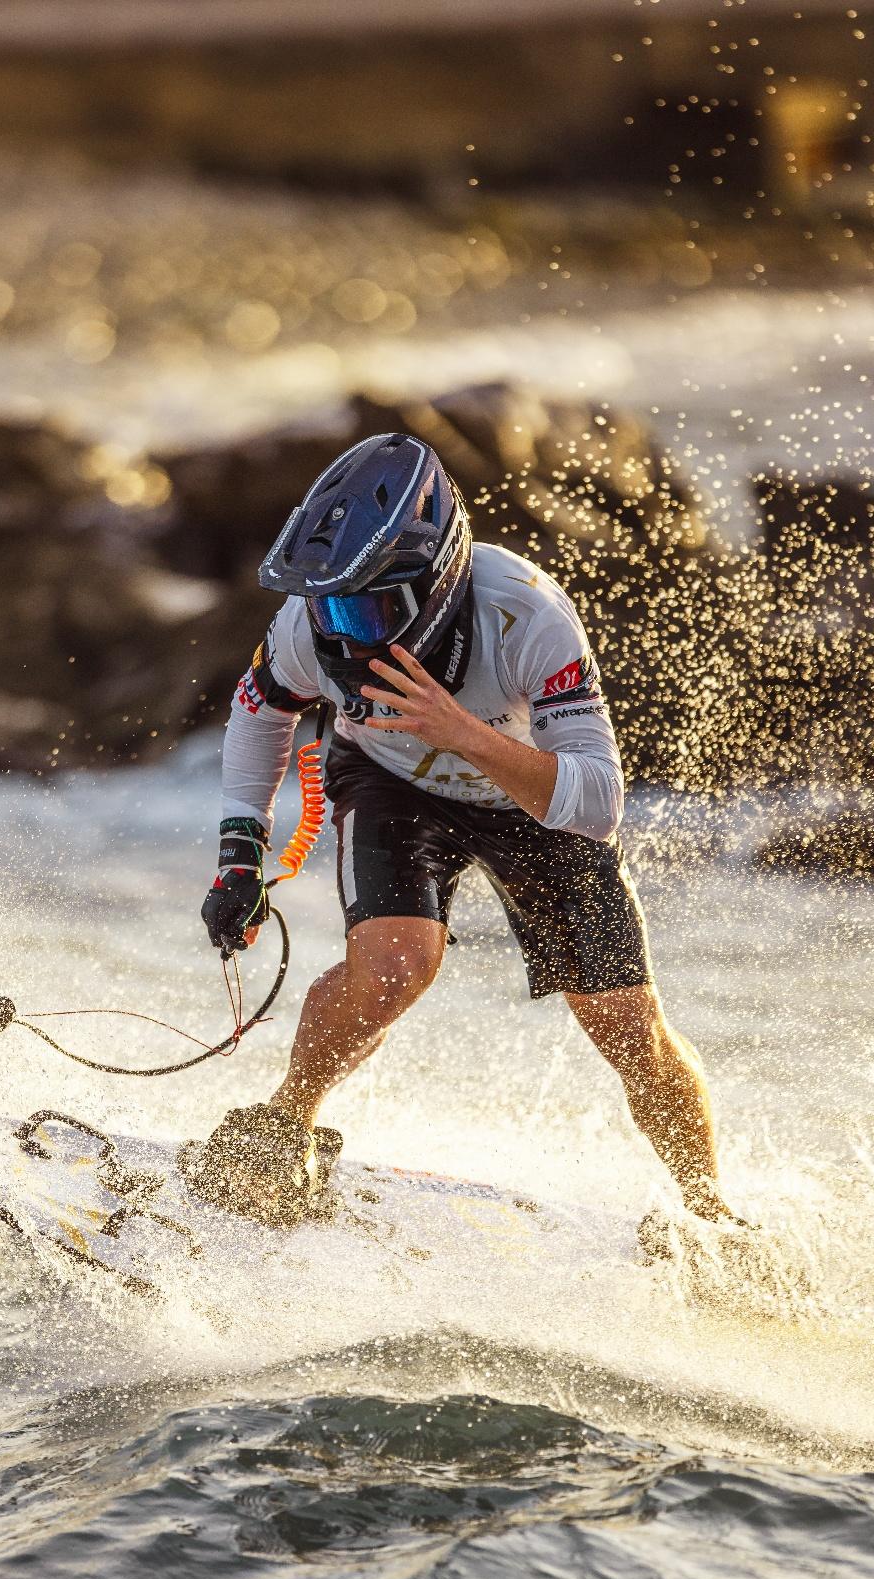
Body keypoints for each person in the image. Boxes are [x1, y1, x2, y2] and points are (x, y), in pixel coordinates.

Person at [192, 431, 741, 1230]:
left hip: (529, 796)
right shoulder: (310, 623)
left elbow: (597, 800)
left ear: (438, 580)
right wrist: (237, 859)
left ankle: (712, 1213)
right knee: (395, 967)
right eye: (331, 606)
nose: (346, 634)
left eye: (368, 607)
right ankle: (284, 1127)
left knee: (627, 1026)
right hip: (390, 782)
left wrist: (467, 734)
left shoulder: (527, 615)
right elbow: (260, 711)